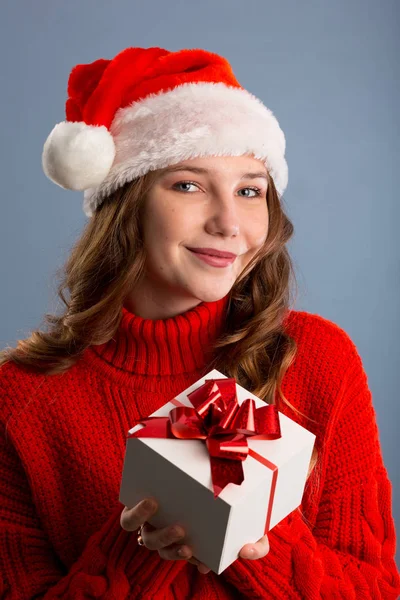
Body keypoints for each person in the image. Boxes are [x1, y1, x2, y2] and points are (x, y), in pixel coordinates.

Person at [0, 45, 399, 600]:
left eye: (250, 190)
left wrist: (258, 536)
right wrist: (134, 552)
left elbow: (376, 589)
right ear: (126, 201)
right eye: (188, 184)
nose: (229, 223)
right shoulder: (21, 398)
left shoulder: (317, 357)